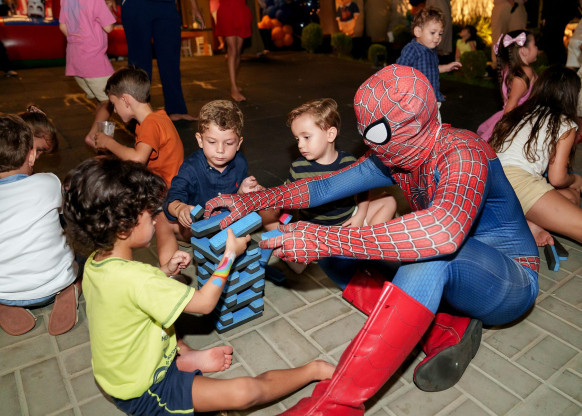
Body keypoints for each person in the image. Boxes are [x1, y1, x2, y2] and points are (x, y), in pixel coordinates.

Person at [204, 64, 540, 414]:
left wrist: (325, 238)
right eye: (364, 130)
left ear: (409, 125)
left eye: (375, 133)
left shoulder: (464, 152)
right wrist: (255, 201)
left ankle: (332, 407)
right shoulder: (398, 151)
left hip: (511, 280)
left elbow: (442, 232)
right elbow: (326, 186)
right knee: (337, 256)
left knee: (424, 255)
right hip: (460, 270)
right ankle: (445, 327)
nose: (368, 143)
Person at [61, 156, 335, 416]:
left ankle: (184, 357)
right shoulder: (141, 281)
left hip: (120, 369)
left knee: (161, 313)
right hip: (144, 389)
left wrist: (163, 272)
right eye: (148, 213)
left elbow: (128, 292)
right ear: (124, 226)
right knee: (244, 393)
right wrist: (229, 255)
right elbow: (204, 304)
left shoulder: (95, 263)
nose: (155, 218)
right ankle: (313, 370)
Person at [268, 98, 397, 274]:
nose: (300, 145)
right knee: (295, 261)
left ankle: (366, 247)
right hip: (315, 231)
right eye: (297, 139)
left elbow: (364, 189)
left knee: (389, 200)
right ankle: (322, 254)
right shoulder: (299, 168)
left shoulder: (348, 162)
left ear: (330, 134)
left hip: (347, 225)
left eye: (306, 137)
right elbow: (289, 198)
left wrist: (360, 215)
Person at [94, 66, 183, 267]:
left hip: (167, 190)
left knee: (161, 226)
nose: (114, 111)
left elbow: (137, 160)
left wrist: (108, 142)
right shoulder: (156, 118)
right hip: (167, 185)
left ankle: (171, 271)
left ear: (126, 100)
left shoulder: (150, 124)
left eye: (114, 104)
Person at [0, 114, 80, 337]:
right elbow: (66, 214)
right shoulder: (48, 182)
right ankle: (72, 288)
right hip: (56, 282)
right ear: (32, 155)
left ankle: (5, 302)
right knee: (85, 255)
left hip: (5, 291)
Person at [489, 65, 582, 246]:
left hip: (490, 183)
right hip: (517, 182)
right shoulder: (564, 123)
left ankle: (522, 221)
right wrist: (575, 179)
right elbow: (557, 178)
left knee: (572, 197)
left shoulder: (520, 112)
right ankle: (521, 222)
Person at [163, 99, 261, 241]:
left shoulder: (240, 162)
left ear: (238, 143)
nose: (220, 150)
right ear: (200, 140)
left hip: (229, 223)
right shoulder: (191, 168)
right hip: (198, 227)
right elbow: (173, 196)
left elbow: (236, 199)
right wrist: (180, 209)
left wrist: (243, 190)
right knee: (166, 225)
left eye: (229, 143)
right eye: (212, 142)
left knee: (263, 207)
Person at [121, 0, 204, 121]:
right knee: (139, 63)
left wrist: (195, 7)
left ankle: (176, 109)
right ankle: (137, 112)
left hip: (166, 4)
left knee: (171, 60)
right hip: (136, 4)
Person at [59, 0, 115, 148]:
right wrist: (109, 8)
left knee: (101, 101)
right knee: (111, 100)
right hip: (94, 60)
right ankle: (93, 136)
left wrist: (79, 40)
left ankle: (101, 142)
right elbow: (109, 27)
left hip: (75, 59)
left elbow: (63, 26)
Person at [396, 7, 461, 117]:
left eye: (440, 34)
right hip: (416, 101)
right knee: (417, 125)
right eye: (433, 32)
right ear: (418, 31)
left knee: (434, 124)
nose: (437, 37)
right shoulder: (412, 49)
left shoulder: (431, 51)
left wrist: (447, 67)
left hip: (432, 99)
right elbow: (398, 70)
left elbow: (433, 69)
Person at [477, 29, 538, 142]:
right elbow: (510, 106)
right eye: (534, 45)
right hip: (518, 120)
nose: (537, 48)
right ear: (524, 50)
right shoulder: (524, 73)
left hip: (513, 117)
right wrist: (503, 134)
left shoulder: (508, 69)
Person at [215, 0, 252, 102]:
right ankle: (233, 87)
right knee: (232, 50)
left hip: (241, 10)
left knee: (238, 52)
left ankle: (234, 82)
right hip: (227, 11)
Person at [490, 0, 528, 69]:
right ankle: (498, 66)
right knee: (498, 37)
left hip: (518, 4)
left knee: (518, 37)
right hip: (501, 4)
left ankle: (518, 65)